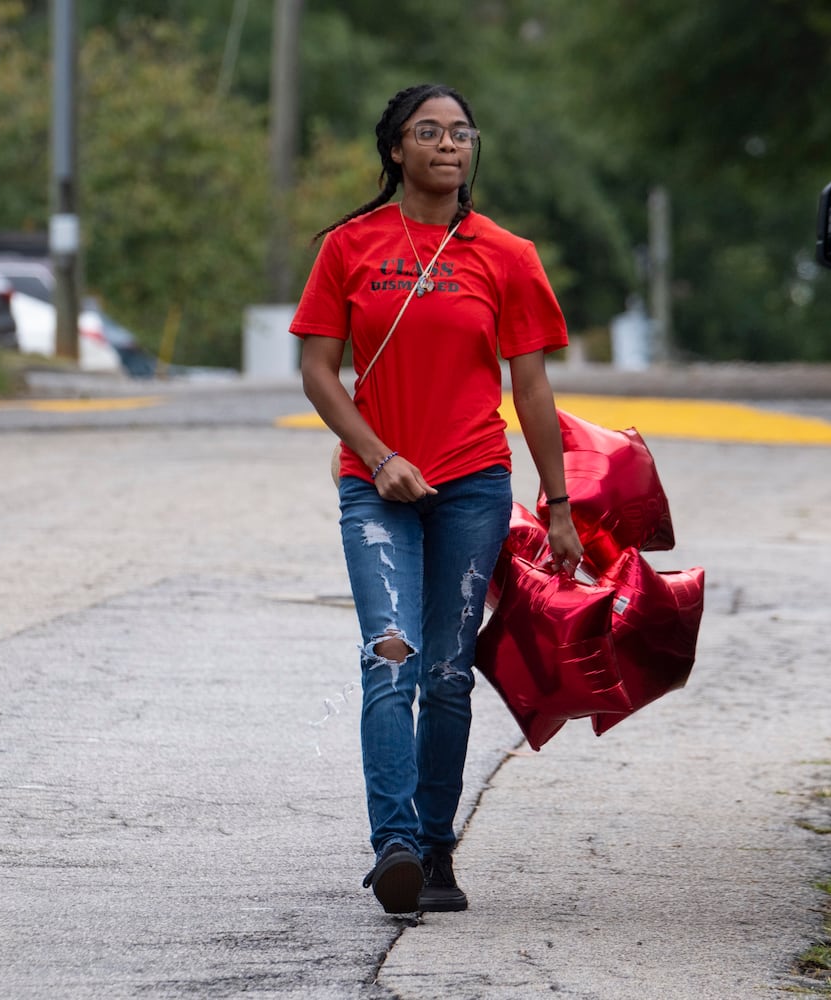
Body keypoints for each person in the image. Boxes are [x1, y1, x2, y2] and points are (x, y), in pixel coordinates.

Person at [291, 83, 584, 915]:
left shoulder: (508, 255)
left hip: (472, 487)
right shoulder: (350, 247)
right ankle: (394, 846)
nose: (448, 144)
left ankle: (436, 848)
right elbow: (317, 371)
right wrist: (378, 456)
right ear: (396, 150)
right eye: (429, 131)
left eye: (461, 132)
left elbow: (530, 389)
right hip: (375, 487)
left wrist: (558, 504)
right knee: (392, 657)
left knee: (449, 676)